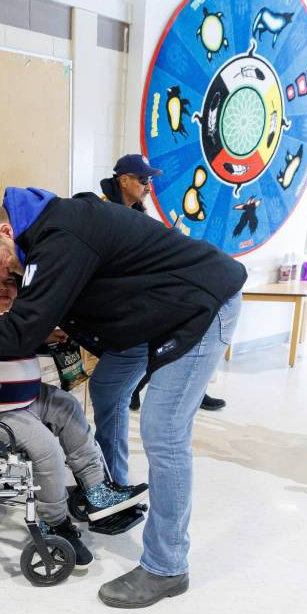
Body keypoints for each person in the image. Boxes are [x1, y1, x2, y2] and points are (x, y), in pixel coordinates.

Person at [0, 187, 246, 608]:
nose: (5, 275)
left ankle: (166, 567)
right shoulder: (45, 235)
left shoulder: (59, 237)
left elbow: (24, 328)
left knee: (163, 430)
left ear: (6, 232)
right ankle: (105, 492)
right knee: (106, 387)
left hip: (200, 305)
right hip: (156, 312)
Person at [0, 267, 149, 565]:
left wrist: (44, 334)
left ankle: (97, 490)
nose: (3, 288)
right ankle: (54, 521)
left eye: (10, 282)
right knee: (46, 447)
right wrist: (0, 336)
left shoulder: (13, 314)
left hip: (28, 397)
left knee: (70, 409)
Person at [97, 155, 225, 479]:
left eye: (149, 181)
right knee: (116, 396)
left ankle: (113, 479)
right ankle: (112, 479)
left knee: (120, 396)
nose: (146, 186)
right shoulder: (103, 212)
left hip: (143, 313)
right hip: (123, 315)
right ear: (124, 180)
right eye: (142, 180)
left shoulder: (136, 214)